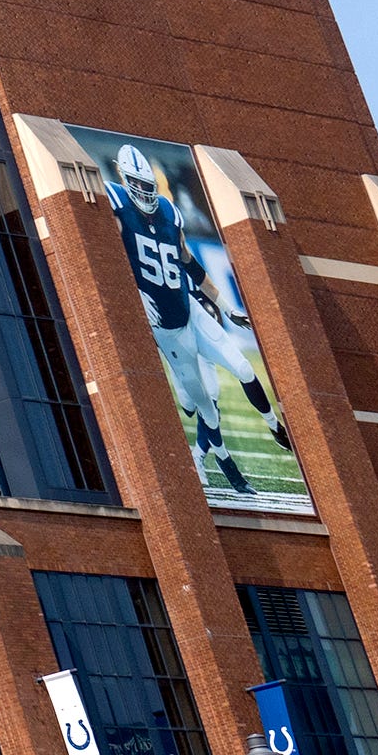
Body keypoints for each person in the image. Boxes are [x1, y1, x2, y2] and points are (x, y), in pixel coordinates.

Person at [105, 142, 294, 494]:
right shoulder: (115, 203)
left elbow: (188, 262)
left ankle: (274, 426)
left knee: (244, 368)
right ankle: (225, 464)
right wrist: (133, 294)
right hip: (167, 331)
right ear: (125, 180)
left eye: (150, 186)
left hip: (189, 307)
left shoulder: (168, 211)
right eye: (140, 186)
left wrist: (226, 307)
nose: (147, 192)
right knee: (203, 407)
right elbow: (102, 252)